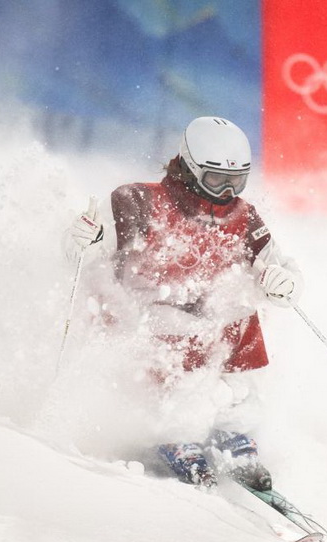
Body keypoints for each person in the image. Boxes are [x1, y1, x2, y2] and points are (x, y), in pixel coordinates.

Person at [64, 116, 303, 491]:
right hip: (142, 315)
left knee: (240, 314)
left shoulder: (243, 217)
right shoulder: (138, 201)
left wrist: (283, 284)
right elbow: (89, 252)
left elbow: (278, 268)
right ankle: (169, 432)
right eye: (216, 180)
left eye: (236, 181)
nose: (226, 192)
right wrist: (85, 240)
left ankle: (232, 430)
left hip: (203, 316)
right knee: (171, 332)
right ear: (190, 168)